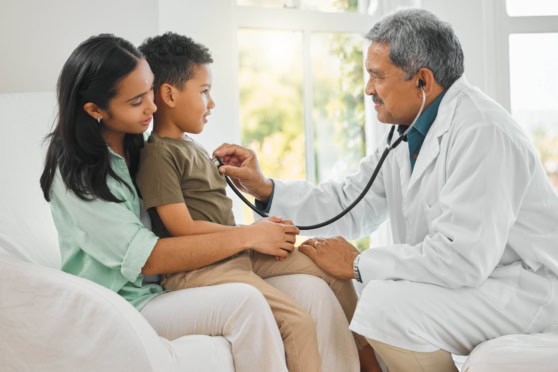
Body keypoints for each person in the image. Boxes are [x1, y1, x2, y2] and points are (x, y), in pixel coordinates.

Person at [213, 8, 558, 372]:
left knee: (384, 304)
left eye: (377, 76)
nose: (368, 89)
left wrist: (358, 263)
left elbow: (461, 259)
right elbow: (348, 202)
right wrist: (264, 188)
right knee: (371, 298)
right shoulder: (407, 132)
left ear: (422, 81)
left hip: (525, 291)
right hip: (481, 283)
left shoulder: (483, 132)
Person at [39, 33, 306, 372]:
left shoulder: (141, 148)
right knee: (245, 304)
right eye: (136, 101)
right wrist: (249, 236)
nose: (152, 106)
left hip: (163, 289)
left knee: (303, 285)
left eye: (149, 91)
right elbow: (148, 257)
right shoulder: (77, 176)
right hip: (122, 305)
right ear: (95, 110)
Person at [135, 32, 377, 372]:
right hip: (199, 270)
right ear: (170, 94)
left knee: (331, 268)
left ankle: (370, 360)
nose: (212, 103)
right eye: (204, 92)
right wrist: (253, 234)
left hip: (233, 253)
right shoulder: (158, 155)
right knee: (298, 322)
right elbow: (180, 227)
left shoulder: (190, 147)